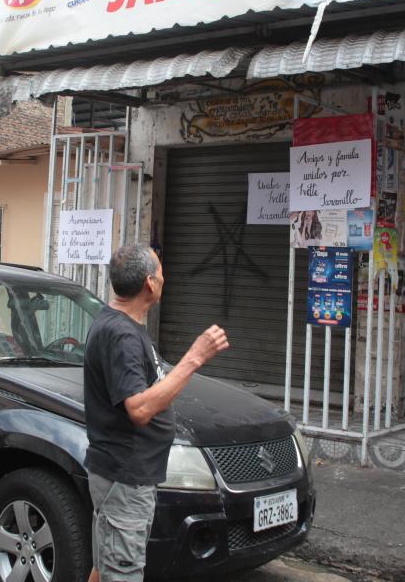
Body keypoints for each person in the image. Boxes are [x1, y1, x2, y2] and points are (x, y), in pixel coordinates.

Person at [83, 244, 230, 582]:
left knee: (105, 567)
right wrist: (195, 356)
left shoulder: (121, 325)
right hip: (124, 478)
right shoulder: (121, 334)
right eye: (161, 272)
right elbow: (139, 408)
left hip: (123, 474)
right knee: (123, 571)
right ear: (150, 283)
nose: (165, 278)